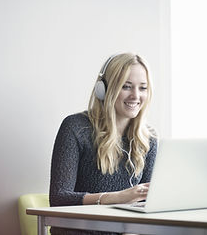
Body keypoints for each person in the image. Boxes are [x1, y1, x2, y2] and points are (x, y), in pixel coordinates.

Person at [49, 53, 158, 235]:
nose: (135, 96)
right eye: (126, 86)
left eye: (143, 88)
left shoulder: (149, 139)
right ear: (104, 89)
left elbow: (150, 202)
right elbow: (59, 198)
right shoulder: (76, 128)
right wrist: (118, 197)